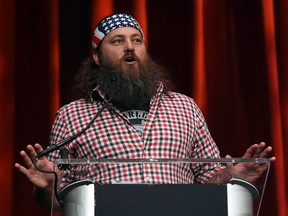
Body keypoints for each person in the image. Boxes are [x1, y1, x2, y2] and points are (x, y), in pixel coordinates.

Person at [15, 13, 275, 211]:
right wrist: (49, 187)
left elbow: (209, 179)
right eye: (118, 41)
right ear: (97, 56)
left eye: (136, 40)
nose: (130, 47)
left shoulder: (185, 107)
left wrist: (231, 176)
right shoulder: (72, 116)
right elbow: (63, 200)